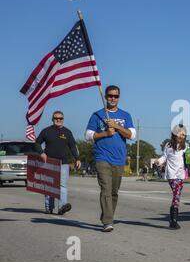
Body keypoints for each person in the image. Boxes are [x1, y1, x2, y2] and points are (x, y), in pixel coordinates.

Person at [85, 85, 136, 232]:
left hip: (119, 159)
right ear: (106, 97)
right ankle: (108, 221)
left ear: (119, 97)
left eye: (115, 96)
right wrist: (105, 134)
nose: (113, 98)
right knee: (106, 189)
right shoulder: (97, 115)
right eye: (110, 95)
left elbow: (132, 135)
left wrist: (117, 127)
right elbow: (88, 135)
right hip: (102, 157)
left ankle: (107, 216)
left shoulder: (126, 115)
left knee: (114, 191)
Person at [35, 111, 81, 215]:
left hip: (63, 163)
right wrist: (41, 153)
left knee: (62, 185)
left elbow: (73, 146)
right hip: (49, 162)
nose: (58, 120)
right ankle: (49, 207)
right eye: (56, 118)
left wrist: (77, 158)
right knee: (49, 185)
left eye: (60, 118)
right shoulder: (46, 131)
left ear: (63, 119)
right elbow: (37, 143)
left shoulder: (67, 132)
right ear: (52, 119)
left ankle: (62, 207)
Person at [155, 124, 188, 229]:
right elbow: (164, 157)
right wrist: (159, 161)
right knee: (177, 193)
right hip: (171, 174)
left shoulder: (185, 146)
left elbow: (188, 159)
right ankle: (173, 220)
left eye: (183, 134)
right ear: (174, 134)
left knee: (177, 196)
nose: (181, 136)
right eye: (179, 133)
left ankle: (173, 220)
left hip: (180, 174)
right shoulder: (168, 145)